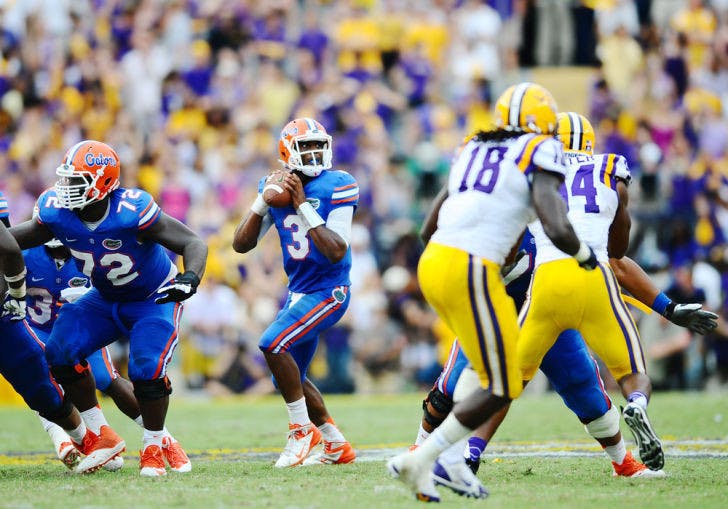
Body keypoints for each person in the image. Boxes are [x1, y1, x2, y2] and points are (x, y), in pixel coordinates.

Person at [386, 82, 599, 502]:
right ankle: (433, 458)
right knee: (503, 383)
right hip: (470, 267)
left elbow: (429, 224)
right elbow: (553, 221)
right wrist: (584, 252)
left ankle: (432, 463)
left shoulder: (473, 148)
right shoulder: (539, 149)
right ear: (544, 124)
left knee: (483, 369)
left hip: (436, 262)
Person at [10, 140, 207, 476]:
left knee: (145, 369)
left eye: (76, 181)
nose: (66, 188)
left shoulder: (132, 209)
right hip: (104, 297)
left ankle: (154, 444)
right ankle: (100, 433)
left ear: (102, 183)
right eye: (66, 180)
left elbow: (192, 242)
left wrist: (190, 277)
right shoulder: (57, 211)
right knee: (58, 352)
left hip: (151, 297)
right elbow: (19, 237)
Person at [233, 117, 357, 467]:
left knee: (272, 343)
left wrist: (301, 205)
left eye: (320, 145)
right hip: (298, 291)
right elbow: (241, 245)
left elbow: (336, 250)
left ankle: (301, 431)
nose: (316, 153)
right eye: (308, 147)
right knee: (288, 376)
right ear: (288, 152)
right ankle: (335, 444)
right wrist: (261, 202)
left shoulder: (340, 184)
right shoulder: (273, 186)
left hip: (329, 289)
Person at [24, 238, 189, 473]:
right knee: (43, 384)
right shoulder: (25, 253)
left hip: (81, 329)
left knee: (106, 378)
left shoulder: (90, 250)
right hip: (39, 327)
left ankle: (164, 438)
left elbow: (112, 289)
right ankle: (76, 439)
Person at [0, 191, 111, 473]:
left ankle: (87, 439)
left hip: (70, 331)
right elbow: (10, 250)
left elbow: (7, 248)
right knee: (40, 379)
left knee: (45, 381)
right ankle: (71, 438)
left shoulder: (85, 251)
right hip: (32, 325)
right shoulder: (29, 252)